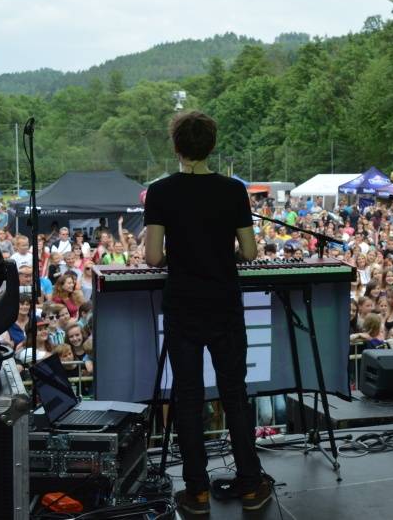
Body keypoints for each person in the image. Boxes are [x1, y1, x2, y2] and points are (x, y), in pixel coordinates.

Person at [144, 110, 270, 515]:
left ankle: (196, 492)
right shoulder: (234, 191)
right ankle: (251, 484)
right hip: (224, 305)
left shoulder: (161, 192)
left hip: (182, 305)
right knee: (235, 395)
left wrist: (181, 256)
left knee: (188, 397)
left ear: (177, 146)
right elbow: (249, 253)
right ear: (212, 146)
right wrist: (221, 254)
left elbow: (152, 258)